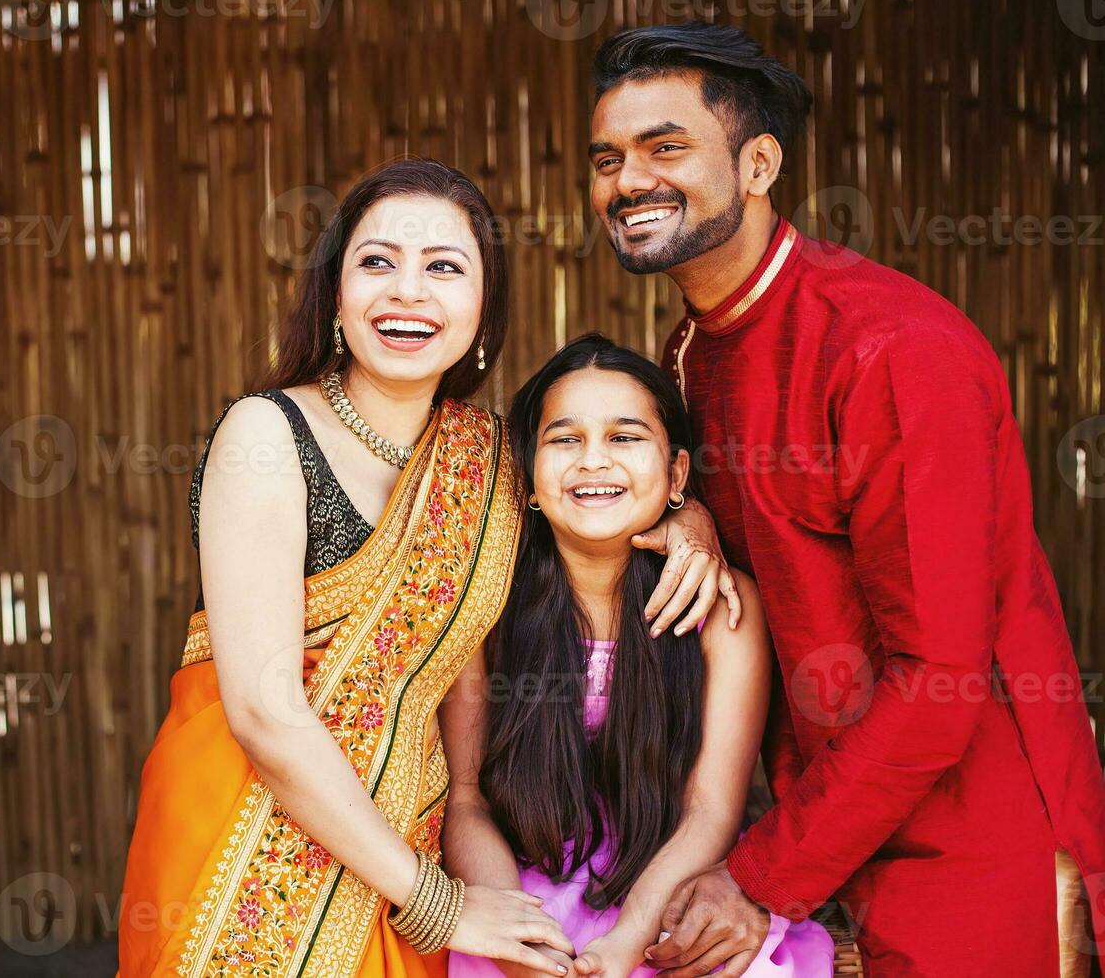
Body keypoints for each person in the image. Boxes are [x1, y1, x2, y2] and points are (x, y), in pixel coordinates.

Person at [115, 158, 737, 977]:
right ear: (335, 293)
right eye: (377, 262)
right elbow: (264, 712)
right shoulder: (265, 436)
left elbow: (596, 500)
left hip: (404, 854)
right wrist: (438, 903)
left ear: (484, 308)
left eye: (444, 267)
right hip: (244, 848)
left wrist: (690, 521)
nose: (408, 291)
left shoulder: (486, 462)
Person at [584, 21, 1105, 977]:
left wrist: (759, 878)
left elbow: (938, 679)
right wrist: (687, 512)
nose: (627, 182)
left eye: (666, 148)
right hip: (816, 832)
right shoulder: (690, 351)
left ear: (758, 164)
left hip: (968, 847)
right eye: (607, 158)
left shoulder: (890, 350)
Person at [441, 334, 835, 978]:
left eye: (625, 438)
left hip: (668, 893)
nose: (594, 461)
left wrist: (627, 944)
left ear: (677, 474)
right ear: (529, 479)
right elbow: (467, 798)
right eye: (565, 440)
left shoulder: (726, 612)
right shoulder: (484, 605)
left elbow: (711, 810)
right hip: (517, 896)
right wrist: (517, 937)